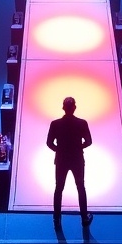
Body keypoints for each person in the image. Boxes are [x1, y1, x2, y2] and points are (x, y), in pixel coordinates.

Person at [46, 96, 94, 227]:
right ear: (74, 108)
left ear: (63, 108)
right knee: (80, 187)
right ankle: (84, 217)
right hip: (77, 158)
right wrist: (79, 147)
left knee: (59, 188)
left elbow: (49, 143)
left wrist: (59, 150)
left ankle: (57, 219)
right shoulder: (82, 123)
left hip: (61, 159)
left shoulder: (55, 124)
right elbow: (89, 141)